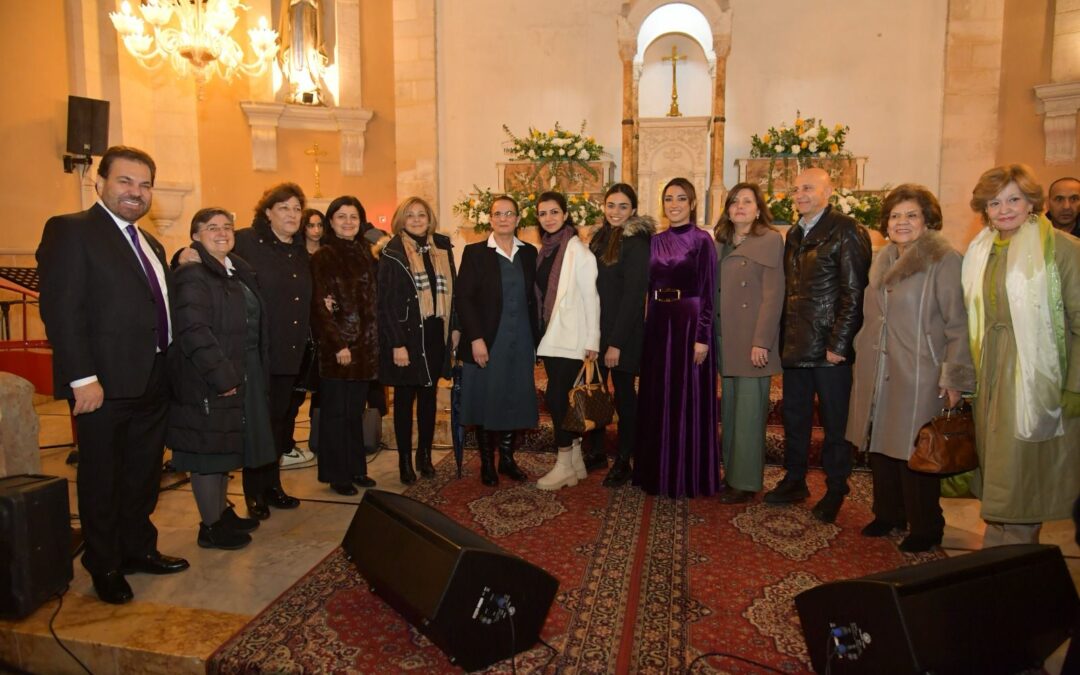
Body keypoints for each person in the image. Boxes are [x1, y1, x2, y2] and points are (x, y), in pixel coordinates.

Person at [36, 145, 189, 604]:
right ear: (99, 182)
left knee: (143, 473)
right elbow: (62, 309)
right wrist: (81, 378)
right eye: (125, 181)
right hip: (102, 384)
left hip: (154, 377)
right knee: (102, 477)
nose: (135, 192)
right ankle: (103, 563)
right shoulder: (71, 230)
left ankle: (138, 548)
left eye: (144, 185)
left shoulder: (151, 243)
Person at [846, 185, 976, 552]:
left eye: (911, 215)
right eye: (895, 216)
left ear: (928, 221)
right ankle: (888, 514)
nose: (901, 222)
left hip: (920, 372)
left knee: (916, 451)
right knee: (881, 445)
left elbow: (958, 323)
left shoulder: (944, 260)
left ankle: (926, 526)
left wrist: (954, 378)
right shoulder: (883, 258)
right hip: (878, 366)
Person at [962, 164, 1080, 547]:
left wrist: (1075, 386)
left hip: (1037, 377)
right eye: (994, 202)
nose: (1004, 209)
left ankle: (1016, 559)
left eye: (1014, 199)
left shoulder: (1062, 249)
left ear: (1032, 202)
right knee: (997, 470)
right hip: (990, 370)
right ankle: (996, 552)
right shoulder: (980, 250)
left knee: (1022, 476)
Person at [764, 168, 872, 523]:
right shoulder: (794, 233)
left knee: (834, 423)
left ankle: (836, 487)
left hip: (829, 349)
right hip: (797, 343)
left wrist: (839, 343)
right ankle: (795, 479)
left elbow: (854, 292)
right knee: (795, 417)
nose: (800, 194)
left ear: (829, 191)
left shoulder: (846, 230)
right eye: (796, 189)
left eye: (808, 188)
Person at [167, 208, 271, 550]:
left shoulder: (234, 269)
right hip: (208, 377)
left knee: (226, 446)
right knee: (207, 453)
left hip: (239, 368)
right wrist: (222, 376)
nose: (222, 232)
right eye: (212, 228)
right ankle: (210, 527)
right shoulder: (193, 274)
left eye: (227, 227)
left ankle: (222, 514)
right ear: (195, 236)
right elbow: (194, 331)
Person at [633, 177, 720, 498]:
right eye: (669, 198)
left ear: (692, 203)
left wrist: (703, 337)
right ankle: (657, 472)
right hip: (658, 322)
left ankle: (687, 474)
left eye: (681, 198)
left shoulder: (702, 240)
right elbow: (644, 289)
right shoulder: (654, 242)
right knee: (658, 395)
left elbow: (709, 292)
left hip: (689, 323)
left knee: (687, 396)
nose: (674, 204)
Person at [233, 183, 310, 519]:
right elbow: (206, 248)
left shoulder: (300, 249)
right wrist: (184, 255)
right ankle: (254, 491)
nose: (292, 214)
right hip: (257, 353)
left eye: (296, 209)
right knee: (258, 424)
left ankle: (273, 484)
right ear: (267, 212)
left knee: (281, 422)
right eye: (284, 208)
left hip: (291, 352)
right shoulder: (245, 241)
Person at [457, 195, 540, 486]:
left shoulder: (529, 253)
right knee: (485, 399)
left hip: (521, 338)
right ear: (490, 219)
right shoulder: (475, 253)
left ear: (518, 219)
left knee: (512, 398)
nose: (503, 218)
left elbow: (535, 298)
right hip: (488, 340)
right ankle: (486, 463)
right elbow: (464, 299)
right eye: (498, 214)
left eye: (509, 213)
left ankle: (506, 459)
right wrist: (476, 339)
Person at [378, 197, 459, 484]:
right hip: (407, 337)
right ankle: (404, 460)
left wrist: (455, 329)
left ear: (429, 219)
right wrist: (396, 344)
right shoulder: (392, 252)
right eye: (410, 215)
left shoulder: (442, 247)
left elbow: (454, 291)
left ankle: (424, 455)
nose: (416, 219)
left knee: (428, 398)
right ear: (401, 219)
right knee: (403, 401)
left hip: (435, 333)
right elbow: (385, 303)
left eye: (421, 214)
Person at [712, 183, 784, 504]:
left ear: (758, 209)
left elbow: (773, 295)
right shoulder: (721, 242)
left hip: (752, 341)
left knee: (749, 414)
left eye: (747, 201)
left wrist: (762, 342)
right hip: (725, 337)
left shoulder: (769, 240)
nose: (740, 206)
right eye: (734, 201)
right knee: (731, 410)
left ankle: (745, 481)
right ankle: (731, 473)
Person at [310, 196, 380, 495]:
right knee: (336, 416)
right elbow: (320, 306)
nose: (348, 222)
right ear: (331, 221)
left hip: (365, 350)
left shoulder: (366, 253)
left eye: (353, 217)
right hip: (339, 350)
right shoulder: (324, 256)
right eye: (341, 216)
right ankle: (337, 474)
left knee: (354, 413)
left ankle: (356, 468)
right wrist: (338, 344)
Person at [532, 192, 601, 490]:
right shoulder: (546, 250)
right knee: (564, 400)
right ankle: (575, 462)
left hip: (572, 337)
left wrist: (593, 340)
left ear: (565, 214)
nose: (549, 218)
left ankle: (562, 466)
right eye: (543, 213)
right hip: (551, 335)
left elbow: (591, 298)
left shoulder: (579, 252)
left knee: (558, 399)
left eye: (554, 212)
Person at [587, 183, 654, 488]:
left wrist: (615, 343)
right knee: (596, 393)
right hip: (597, 331)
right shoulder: (599, 238)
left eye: (623, 206)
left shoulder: (637, 242)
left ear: (633, 210)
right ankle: (597, 452)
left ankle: (625, 459)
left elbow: (633, 296)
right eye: (611, 205)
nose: (615, 212)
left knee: (625, 397)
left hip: (623, 335)